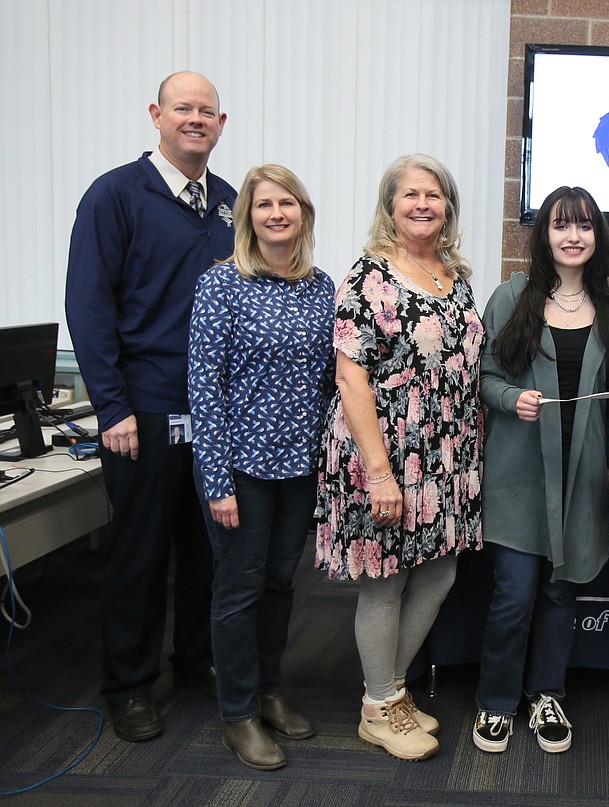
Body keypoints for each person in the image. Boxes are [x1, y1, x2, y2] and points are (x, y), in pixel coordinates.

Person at [64, 71, 234, 743]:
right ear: (156, 115)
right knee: (140, 551)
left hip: (214, 413)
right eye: (183, 108)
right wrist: (112, 408)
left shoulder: (227, 202)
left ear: (222, 124)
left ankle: (193, 658)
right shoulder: (115, 195)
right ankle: (129, 683)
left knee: (205, 546)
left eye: (207, 111)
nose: (195, 119)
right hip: (145, 406)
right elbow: (89, 306)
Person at [315, 154, 483, 762]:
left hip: (448, 452)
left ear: (448, 208)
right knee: (386, 583)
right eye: (409, 194)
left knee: (439, 572)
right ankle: (377, 705)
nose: (422, 204)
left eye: (433, 195)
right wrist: (380, 472)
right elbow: (350, 377)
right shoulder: (368, 277)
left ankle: (390, 691)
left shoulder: (456, 273)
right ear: (390, 207)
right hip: (383, 451)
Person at [472, 187, 609, 755]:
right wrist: (511, 397)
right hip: (518, 473)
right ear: (543, 235)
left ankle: (546, 695)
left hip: (580, 474)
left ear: (597, 236)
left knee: (562, 596)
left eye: (584, 226)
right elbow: (485, 376)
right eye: (561, 225)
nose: (572, 236)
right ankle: (496, 702)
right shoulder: (512, 295)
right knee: (514, 596)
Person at [188, 165, 335, 770]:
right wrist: (217, 481)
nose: (276, 214)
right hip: (241, 470)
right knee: (238, 589)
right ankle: (238, 711)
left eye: (288, 203)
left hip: (298, 469)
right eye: (263, 204)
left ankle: (270, 690)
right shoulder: (221, 284)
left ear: (303, 213)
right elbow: (204, 388)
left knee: (279, 585)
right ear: (247, 215)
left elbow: (331, 380)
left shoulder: (321, 287)